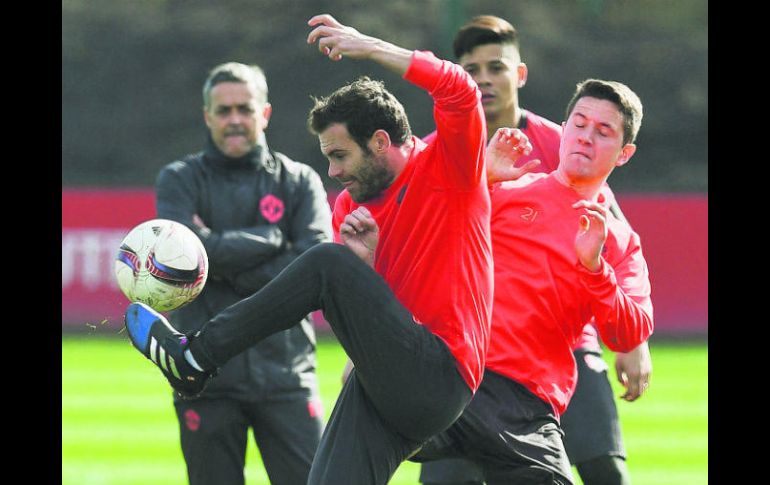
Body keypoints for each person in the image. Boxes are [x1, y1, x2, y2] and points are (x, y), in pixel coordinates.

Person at [124, 14, 493, 485]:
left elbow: (459, 89)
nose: (334, 172)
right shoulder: (349, 209)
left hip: (442, 373)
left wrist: (371, 47)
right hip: (386, 381)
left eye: (340, 156)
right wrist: (367, 269)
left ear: (380, 142)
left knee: (325, 262)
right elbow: (383, 313)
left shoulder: (451, 168)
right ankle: (196, 359)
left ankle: (195, 358)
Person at [417, 16, 652, 485]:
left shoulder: (558, 140)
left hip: (561, 347)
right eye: (471, 69)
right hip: (472, 351)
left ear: (518, 74)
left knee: (604, 468)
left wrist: (634, 342)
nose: (483, 79)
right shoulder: (436, 151)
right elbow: (424, 244)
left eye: (495, 66)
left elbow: (616, 243)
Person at [152, 61, 332, 485]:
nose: (235, 120)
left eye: (245, 109)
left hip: (286, 373)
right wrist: (272, 241)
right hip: (204, 375)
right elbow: (181, 262)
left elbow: (316, 268)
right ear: (207, 116)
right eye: (224, 110)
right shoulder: (179, 180)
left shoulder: (299, 180)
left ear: (264, 113)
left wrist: (215, 255)